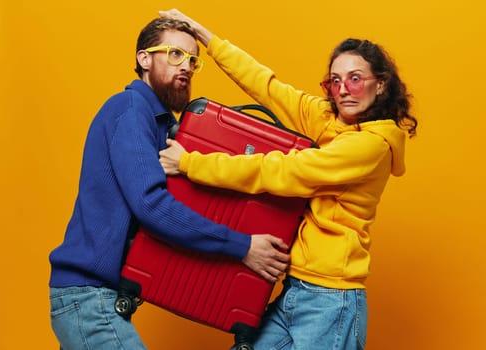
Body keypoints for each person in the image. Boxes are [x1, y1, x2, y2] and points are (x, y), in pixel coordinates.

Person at [158, 9, 418, 350]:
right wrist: (208, 39)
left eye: (355, 78)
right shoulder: (331, 121)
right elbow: (269, 88)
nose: (343, 90)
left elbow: (282, 171)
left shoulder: (371, 147)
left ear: (380, 84)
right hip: (297, 289)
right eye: (334, 81)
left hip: (331, 300)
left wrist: (190, 163)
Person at [48, 17, 291, 350]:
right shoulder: (131, 110)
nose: (187, 67)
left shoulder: (161, 125)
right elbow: (152, 205)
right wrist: (242, 246)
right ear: (144, 59)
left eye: (192, 60)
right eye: (175, 54)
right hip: (88, 299)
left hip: (90, 298)